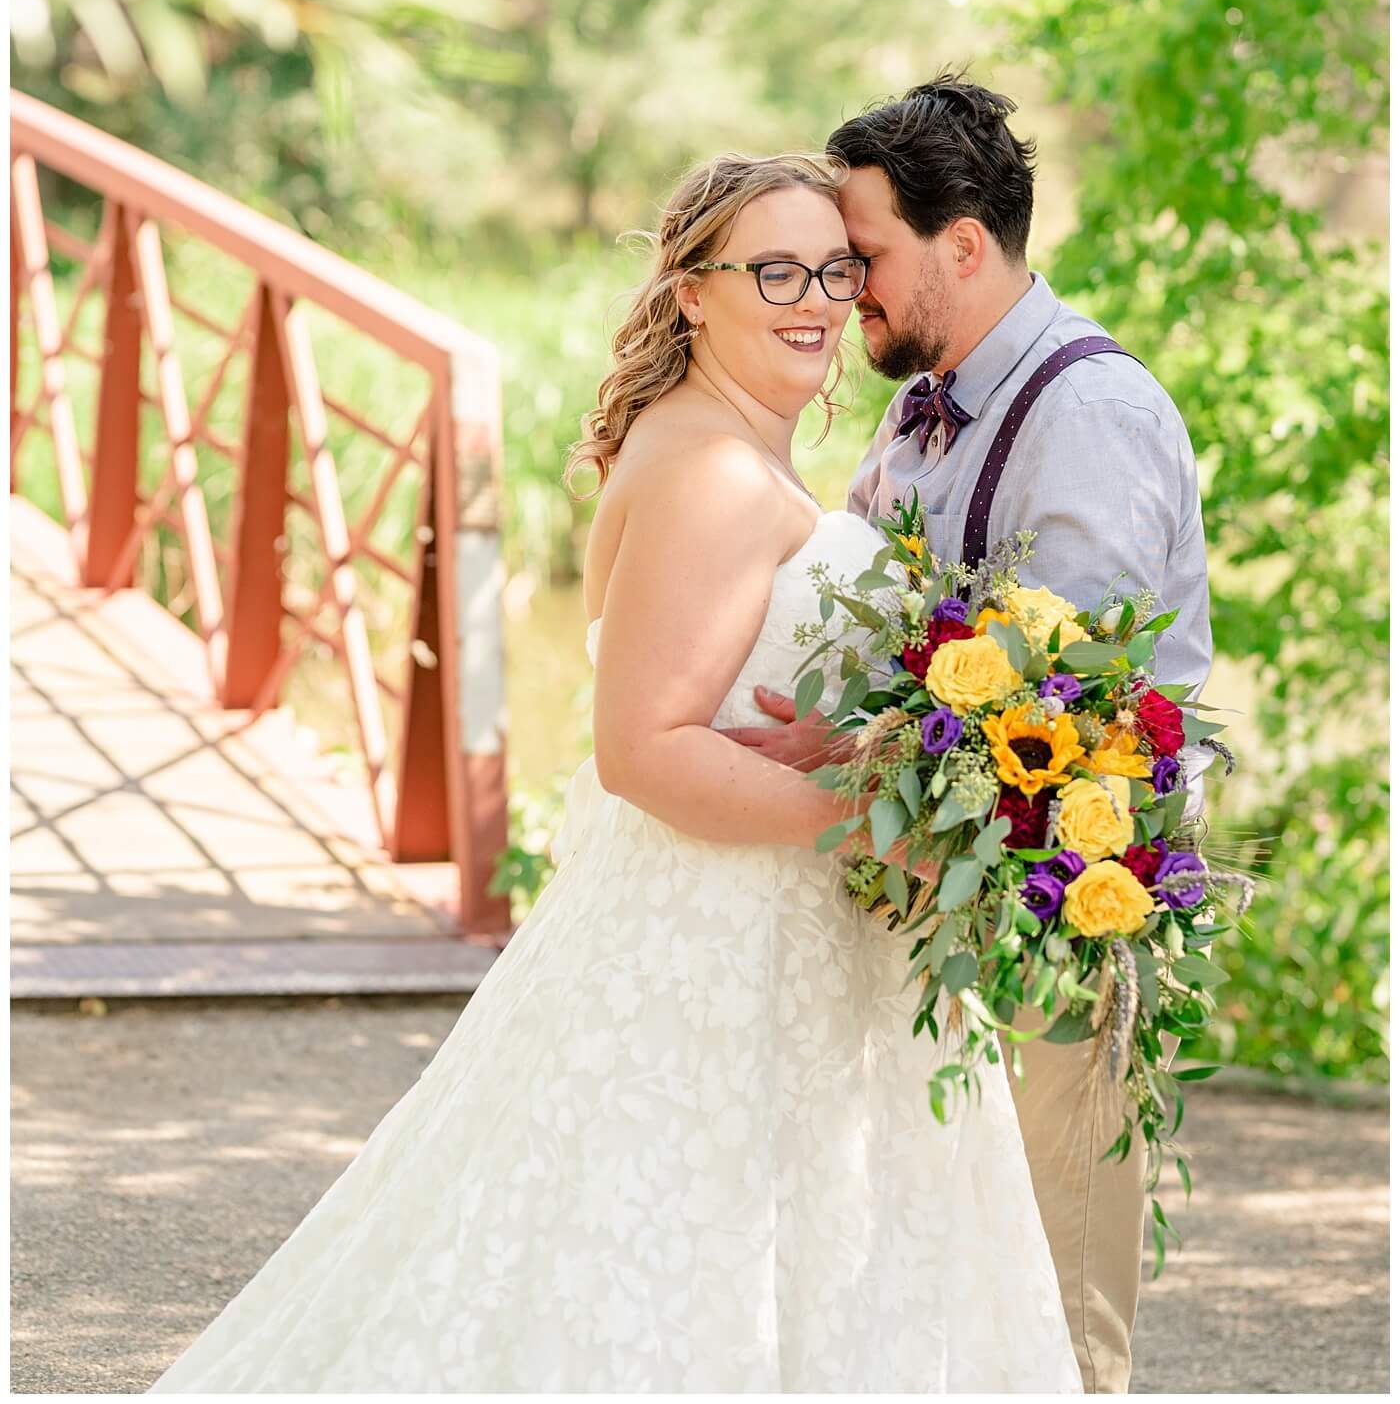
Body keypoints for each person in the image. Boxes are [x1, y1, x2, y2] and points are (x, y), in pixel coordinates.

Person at [147, 151, 1081, 1396]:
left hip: (782, 936)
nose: (815, 296)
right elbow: (643, 749)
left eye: (835, 267)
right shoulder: (706, 471)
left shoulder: (732, 446)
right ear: (693, 293)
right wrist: (876, 817)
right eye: (774, 269)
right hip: (716, 948)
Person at [726, 79, 1213, 1395]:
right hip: (942, 901)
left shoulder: (1087, 415)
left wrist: (852, 747)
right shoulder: (918, 404)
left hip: (1066, 904)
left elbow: (1073, 709)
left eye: (864, 255)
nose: (845, 291)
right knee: (944, 1291)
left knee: (1056, 1304)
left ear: (960, 243)